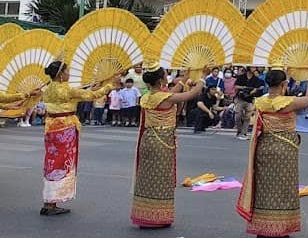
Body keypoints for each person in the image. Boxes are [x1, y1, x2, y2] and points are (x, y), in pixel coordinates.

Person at [235, 69, 308, 238]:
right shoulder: (288, 102)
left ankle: (262, 229)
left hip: (264, 148)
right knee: (283, 188)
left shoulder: (260, 101)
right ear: (284, 84)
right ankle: (279, 229)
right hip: (284, 150)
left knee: (263, 188)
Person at [131, 66, 206, 228]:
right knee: (161, 178)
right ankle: (157, 217)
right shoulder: (165, 97)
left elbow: (174, 91)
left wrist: (185, 76)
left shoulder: (148, 97)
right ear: (161, 80)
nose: (167, 78)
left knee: (147, 178)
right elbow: (191, 94)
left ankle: (145, 214)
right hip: (162, 141)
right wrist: (202, 77)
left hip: (148, 139)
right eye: (165, 75)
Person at [36, 61, 114, 216]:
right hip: (65, 129)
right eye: (67, 71)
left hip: (51, 128)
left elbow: (79, 95)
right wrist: (108, 87)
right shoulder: (66, 89)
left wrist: (95, 86)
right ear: (60, 74)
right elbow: (90, 96)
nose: (69, 73)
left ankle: (49, 200)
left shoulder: (48, 89)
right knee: (61, 164)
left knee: (52, 162)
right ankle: (51, 202)